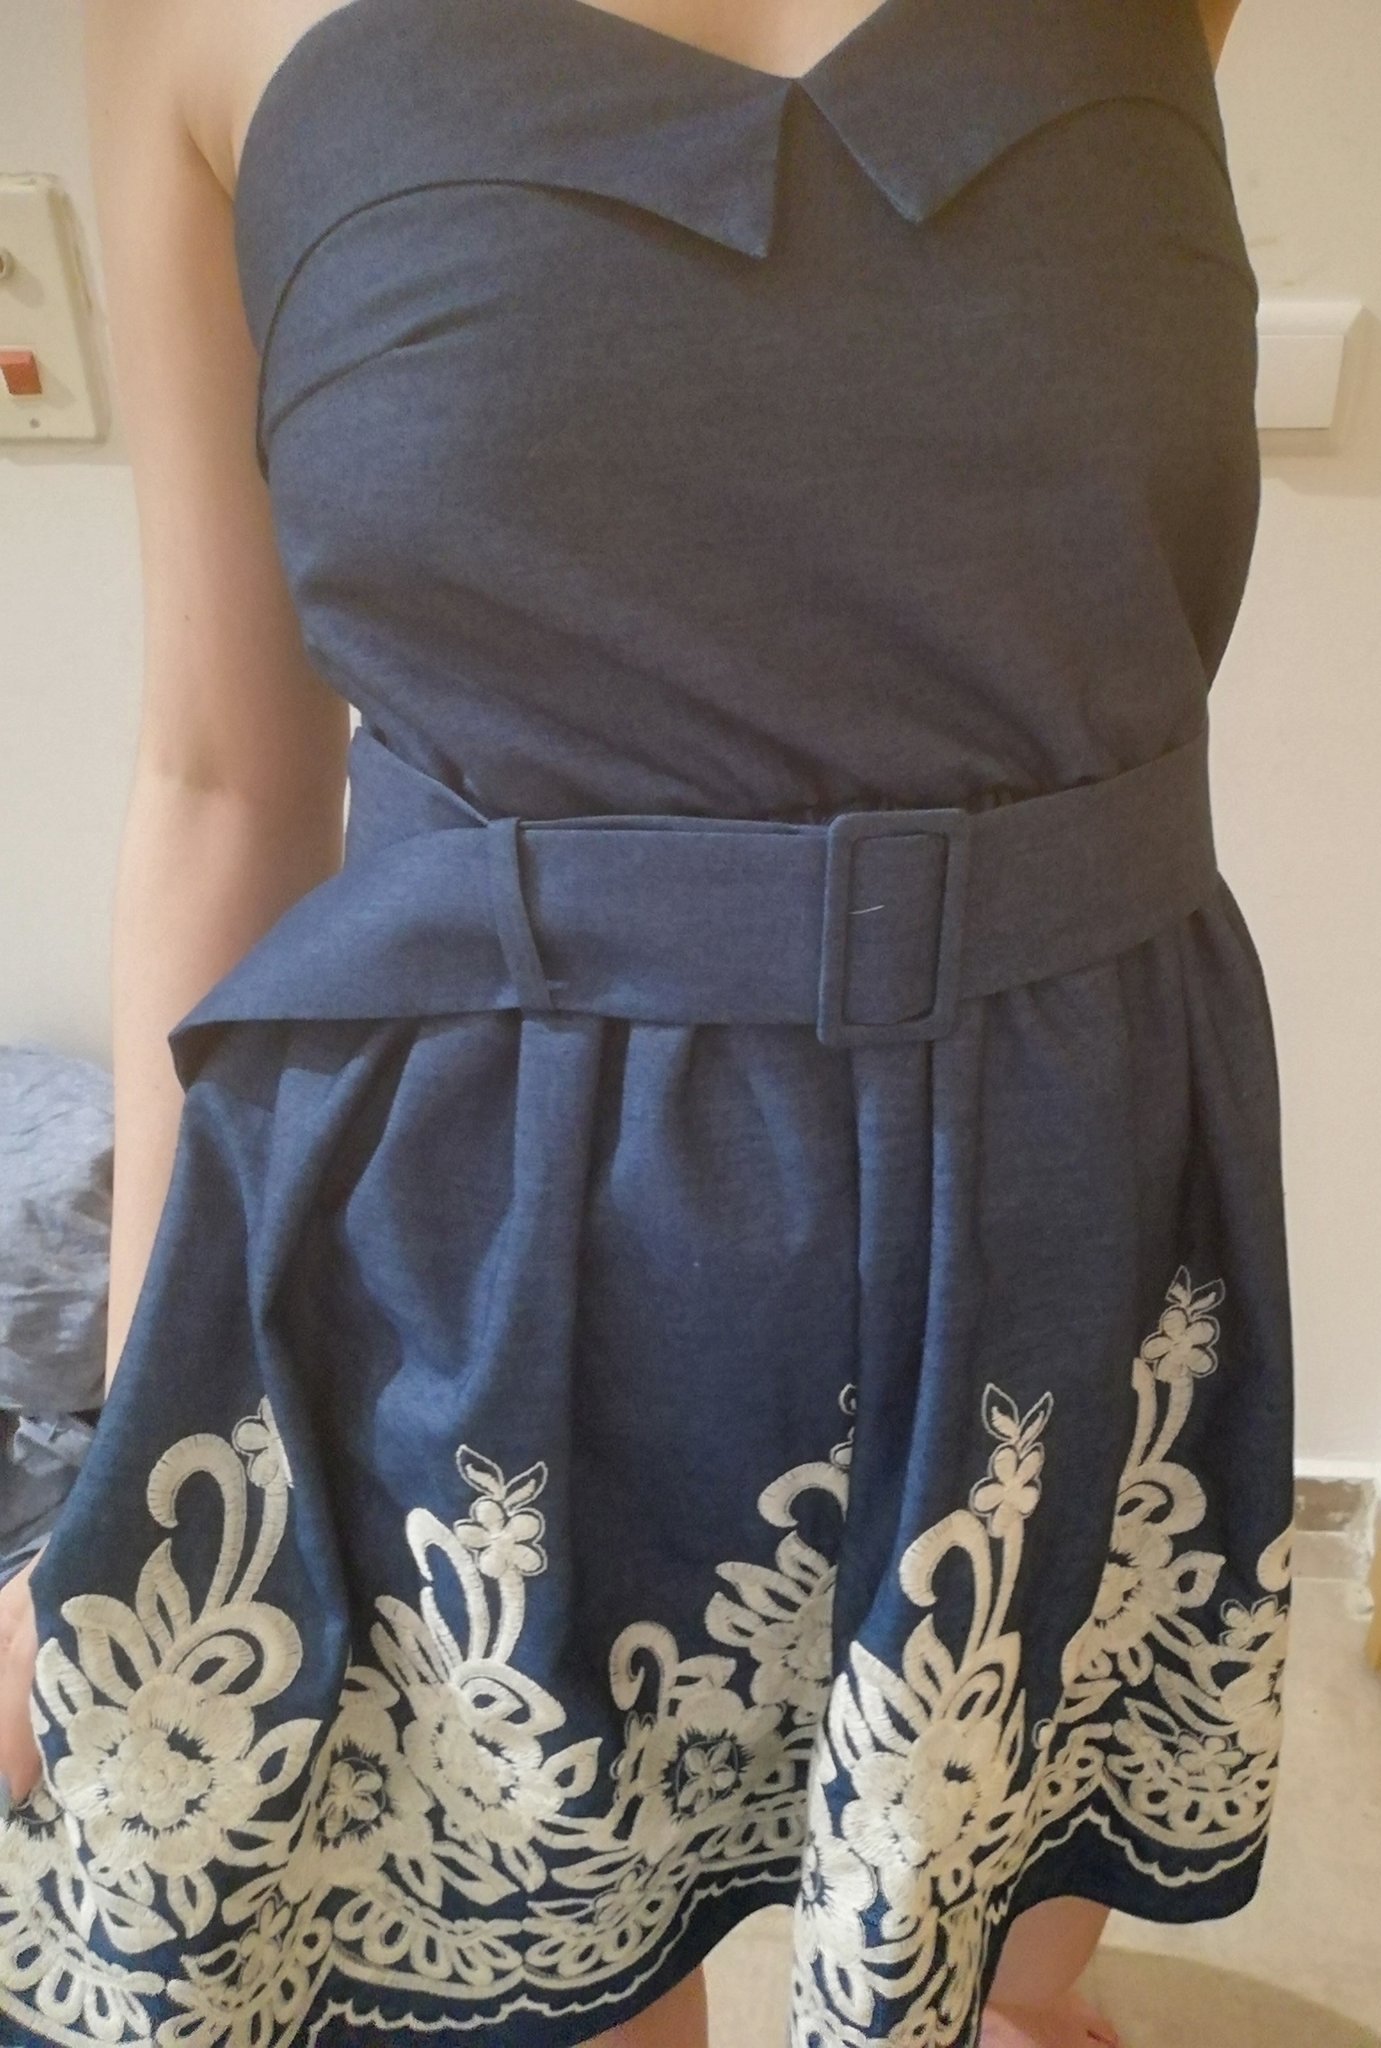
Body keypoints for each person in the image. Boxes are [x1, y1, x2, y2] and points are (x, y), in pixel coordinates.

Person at [0, 0, 1295, 2044]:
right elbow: (224, 782)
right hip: (486, 1250)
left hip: (1069, 1196)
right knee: (562, 1972)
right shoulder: (180, 21)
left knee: (1005, 1950)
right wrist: (135, 1454)